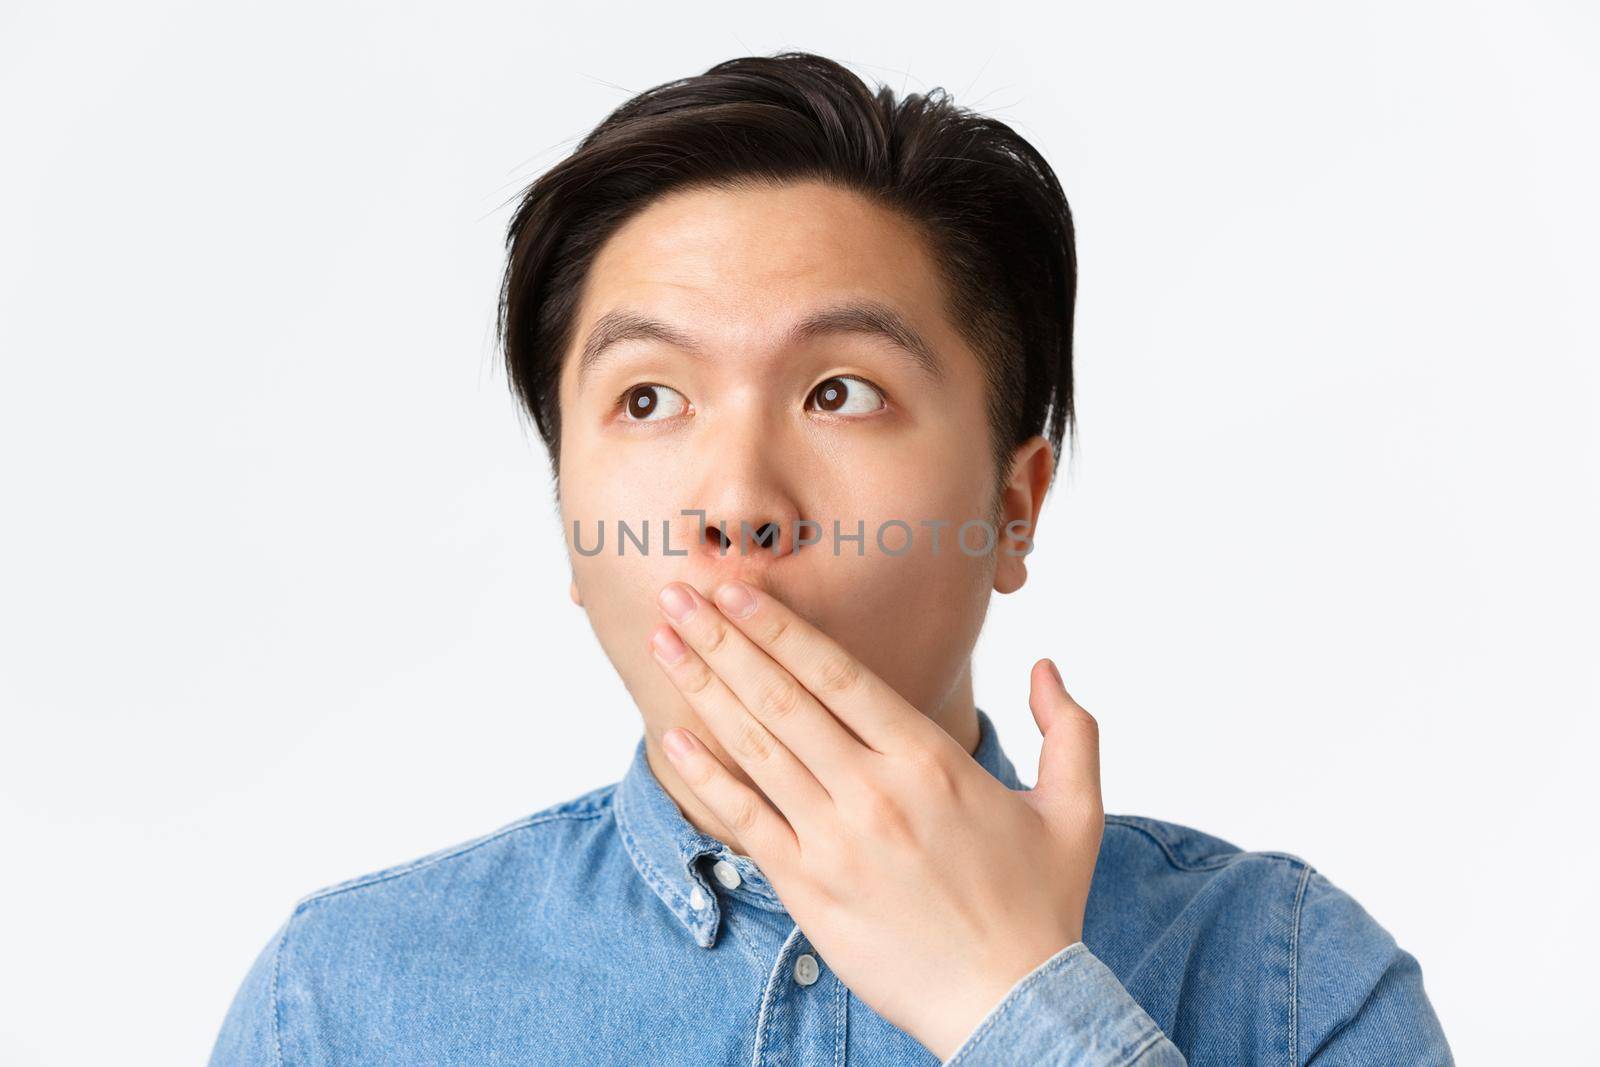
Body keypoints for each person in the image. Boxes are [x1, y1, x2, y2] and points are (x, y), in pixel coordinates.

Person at [207, 51, 1453, 1065]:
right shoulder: (340, 1003)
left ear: (1012, 506)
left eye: (840, 390)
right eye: (648, 399)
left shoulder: (1289, 981)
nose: (738, 503)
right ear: (570, 526)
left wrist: (1013, 997)